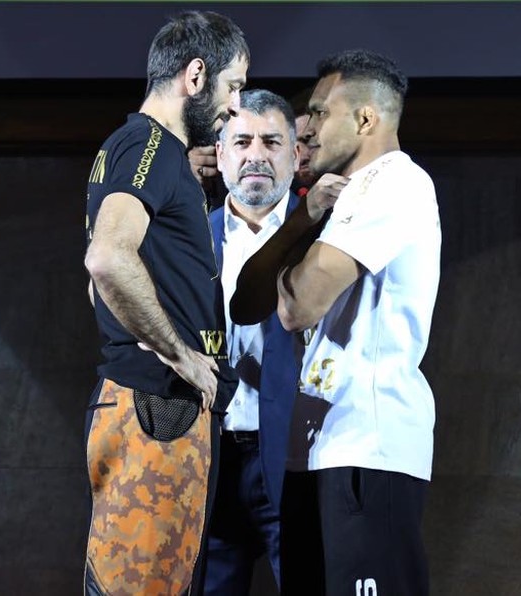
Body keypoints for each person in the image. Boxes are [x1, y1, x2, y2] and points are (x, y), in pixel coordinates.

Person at [231, 49, 440, 595]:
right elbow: (247, 305)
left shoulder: (395, 182)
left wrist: (293, 269)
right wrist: (302, 218)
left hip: (368, 446)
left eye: (321, 113)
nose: (308, 129)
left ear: (366, 119)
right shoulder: (344, 197)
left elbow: (298, 305)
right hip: (321, 447)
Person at [82, 11, 248, 595]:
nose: (235, 106)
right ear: (196, 76)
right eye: (234, 86)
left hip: (159, 412)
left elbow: (104, 277)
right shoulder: (146, 144)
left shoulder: (158, 153)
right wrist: (179, 354)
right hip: (155, 408)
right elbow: (105, 261)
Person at [203, 89, 304, 594]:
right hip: (211, 460)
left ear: (296, 154)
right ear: (220, 154)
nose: (256, 155)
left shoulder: (325, 237)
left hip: (296, 457)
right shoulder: (191, 238)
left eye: (271, 141)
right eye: (241, 141)